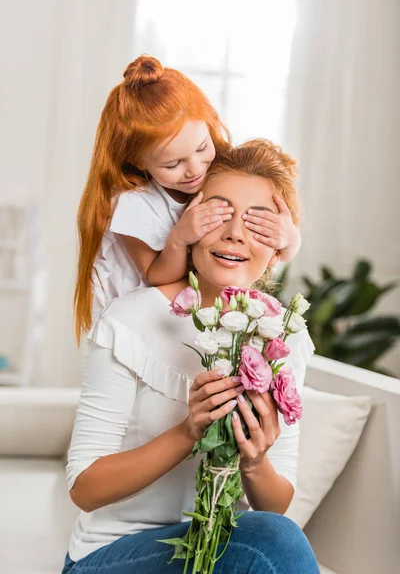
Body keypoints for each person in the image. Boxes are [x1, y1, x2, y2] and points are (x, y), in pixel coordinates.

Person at [62, 140, 319, 573]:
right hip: (110, 556)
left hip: (219, 553)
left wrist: (255, 461)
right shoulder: (132, 319)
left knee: (272, 535)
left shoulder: (283, 334)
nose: (235, 233)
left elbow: (277, 504)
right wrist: (188, 431)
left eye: (258, 223)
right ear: (188, 222)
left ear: (278, 245)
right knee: (271, 541)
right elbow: (85, 489)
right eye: (219, 213)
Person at [74, 55, 302, 341]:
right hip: (142, 321)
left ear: (210, 124)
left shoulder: (213, 170)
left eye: (202, 147)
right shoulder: (133, 205)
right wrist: (179, 238)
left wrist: (290, 241)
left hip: (186, 311)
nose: (195, 169)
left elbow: (254, 249)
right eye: (173, 164)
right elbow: (157, 276)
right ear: (137, 162)